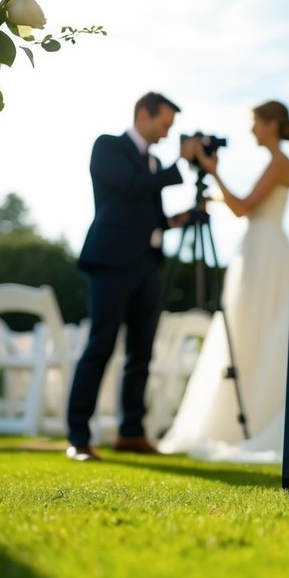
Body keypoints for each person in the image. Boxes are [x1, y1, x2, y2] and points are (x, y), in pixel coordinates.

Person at [160, 100, 289, 463]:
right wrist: (216, 190)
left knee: (262, 330)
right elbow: (245, 206)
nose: (252, 130)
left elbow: (243, 207)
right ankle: (242, 419)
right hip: (259, 249)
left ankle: (257, 420)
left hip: (267, 253)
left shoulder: (280, 163)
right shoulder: (274, 163)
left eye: (256, 123)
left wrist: (214, 171)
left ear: (272, 124)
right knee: (247, 332)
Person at [65, 92, 202, 461]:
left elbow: (152, 217)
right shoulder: (108, 146)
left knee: (141, 354)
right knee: (101, 346)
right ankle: (78, 437)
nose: (167, 131)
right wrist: (180, 165)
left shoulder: (155, 163)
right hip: (110, 262)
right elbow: (129, 186)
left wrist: (183, 217)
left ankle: (131, 432)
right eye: (164, 123)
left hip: (146, 265)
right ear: (144, 114)